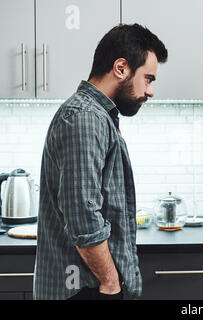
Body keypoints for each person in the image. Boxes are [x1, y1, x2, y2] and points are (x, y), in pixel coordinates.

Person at [33, 24, 168, 300]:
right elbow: (83, 213)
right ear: (121, 68)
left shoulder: (97, 115)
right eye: (148, 79)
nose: (150, 90)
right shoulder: (85, 117)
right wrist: (110, 284)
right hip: (84, 290)